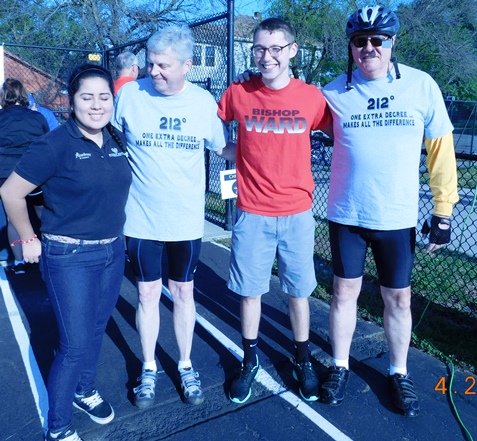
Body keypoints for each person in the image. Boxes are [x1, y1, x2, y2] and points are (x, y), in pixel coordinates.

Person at [319, 5, 458, 417]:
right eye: (360, 41)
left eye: (377, 39)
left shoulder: (421, 85)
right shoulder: (334, 91)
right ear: (351, 45)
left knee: (397, 299)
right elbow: (291, 117)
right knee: (344, 293)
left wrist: (444, 211)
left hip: (396, 217)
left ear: (392, 42)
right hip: (347, 214)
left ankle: (399, 372)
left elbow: (441, 151)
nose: (369, 48)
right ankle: (340, 365)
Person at [1, 64, 132, 441]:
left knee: (95, 330)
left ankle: (84, 391)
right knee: (73, 345)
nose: (96, 105)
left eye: (103, 97)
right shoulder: (55, 144)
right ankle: (57, 428)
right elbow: (11, 192)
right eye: (86, 97)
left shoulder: (115, 138)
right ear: (71, 102)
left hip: (111, 252)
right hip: (69, 257)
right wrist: (27, 237)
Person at [112, 25, 235, 409]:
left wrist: (268, 147)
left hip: (185, 221)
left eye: (163, 65)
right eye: (150, 63)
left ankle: (184, 364)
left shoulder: (201, 103)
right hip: (142, 220)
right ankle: (148, 367)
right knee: (147, 292)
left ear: (187, 65)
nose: (154, 71)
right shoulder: (130, 95)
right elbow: (107, 143)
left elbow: (225, 150)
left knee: (183, 292)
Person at [217, 17, 332, 404]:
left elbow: (342, 133)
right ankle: (249, 361)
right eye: (260, 49)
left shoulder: (312, 98)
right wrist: (233, 153)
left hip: (298, 213)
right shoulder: (238, 93)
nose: (267, 57)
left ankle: (302, 360)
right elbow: (212, 128)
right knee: (251, 293)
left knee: (298, 293)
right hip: (252, 211)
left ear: (292, 51)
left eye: (275, 49)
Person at [0, 78, 50, 274]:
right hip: (33, 173)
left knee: (13, 218)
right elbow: (47, 143)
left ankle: (20, 261)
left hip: (5, 174)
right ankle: (47, 253)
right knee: (42, 213)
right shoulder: (37, 118)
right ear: (23, 94)